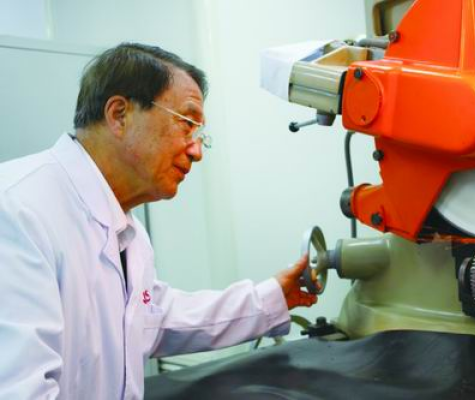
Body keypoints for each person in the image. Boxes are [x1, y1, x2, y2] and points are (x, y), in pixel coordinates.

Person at [0, 43, 318, 399]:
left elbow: (153, 318)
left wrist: (271, 298)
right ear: (119, 115)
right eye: (187, 123)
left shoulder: (127, 231)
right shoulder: (17, 210)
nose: (196, 151)